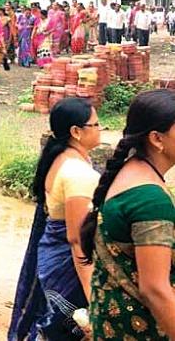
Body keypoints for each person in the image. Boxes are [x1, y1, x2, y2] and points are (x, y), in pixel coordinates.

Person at [79, 89, 175, 340]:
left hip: (112, 325)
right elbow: (155, 289)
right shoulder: (150, 200)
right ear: (157, 139)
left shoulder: (128, 172)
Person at [9, 98, 101, 340]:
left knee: (50, 322)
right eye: (96, 124)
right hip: (68, 264)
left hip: (52, 253)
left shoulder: (61, 159)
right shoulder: (77, 174)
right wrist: (93, 295)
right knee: (66, 326)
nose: (101, 129)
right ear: (76, 132)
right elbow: (77, 240)